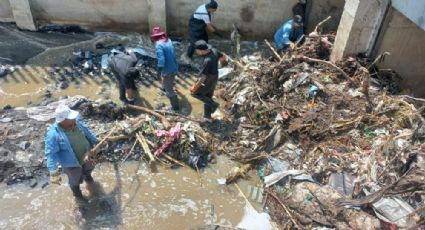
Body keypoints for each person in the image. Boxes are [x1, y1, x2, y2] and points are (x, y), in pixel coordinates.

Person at [45, 104, 98, 203]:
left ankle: (89, 181)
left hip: (86, 155)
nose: (73, 120)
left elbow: (86, 131)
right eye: (70, 119)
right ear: (62, 121)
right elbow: (51, 154)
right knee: (74, 180)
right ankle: (78, 197)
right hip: (72, 164)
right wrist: (53, 172)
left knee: (88, 170)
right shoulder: (53, 134)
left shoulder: (76, 121)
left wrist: (95, 141)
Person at [190, 40, 226, 119]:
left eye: (196, 50)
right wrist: (223, 64)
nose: (196, 52)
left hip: (208, 78)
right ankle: (207, 116)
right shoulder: (214, 50)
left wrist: (195, 87)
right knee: (207, 97)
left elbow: (203, 77)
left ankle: (214, 105)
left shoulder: (207, 61)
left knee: (194, 94)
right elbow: (223, 57)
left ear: (201, 51)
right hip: (215, 76)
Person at [151, 26, 180, 112]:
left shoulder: (158, 45)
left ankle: (175, 107)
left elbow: (162, 59)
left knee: (169, 90)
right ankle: (165, 87)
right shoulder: (169, 41)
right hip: (174, 66)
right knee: (170, 79)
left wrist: (159, 71)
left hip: (167, 69)